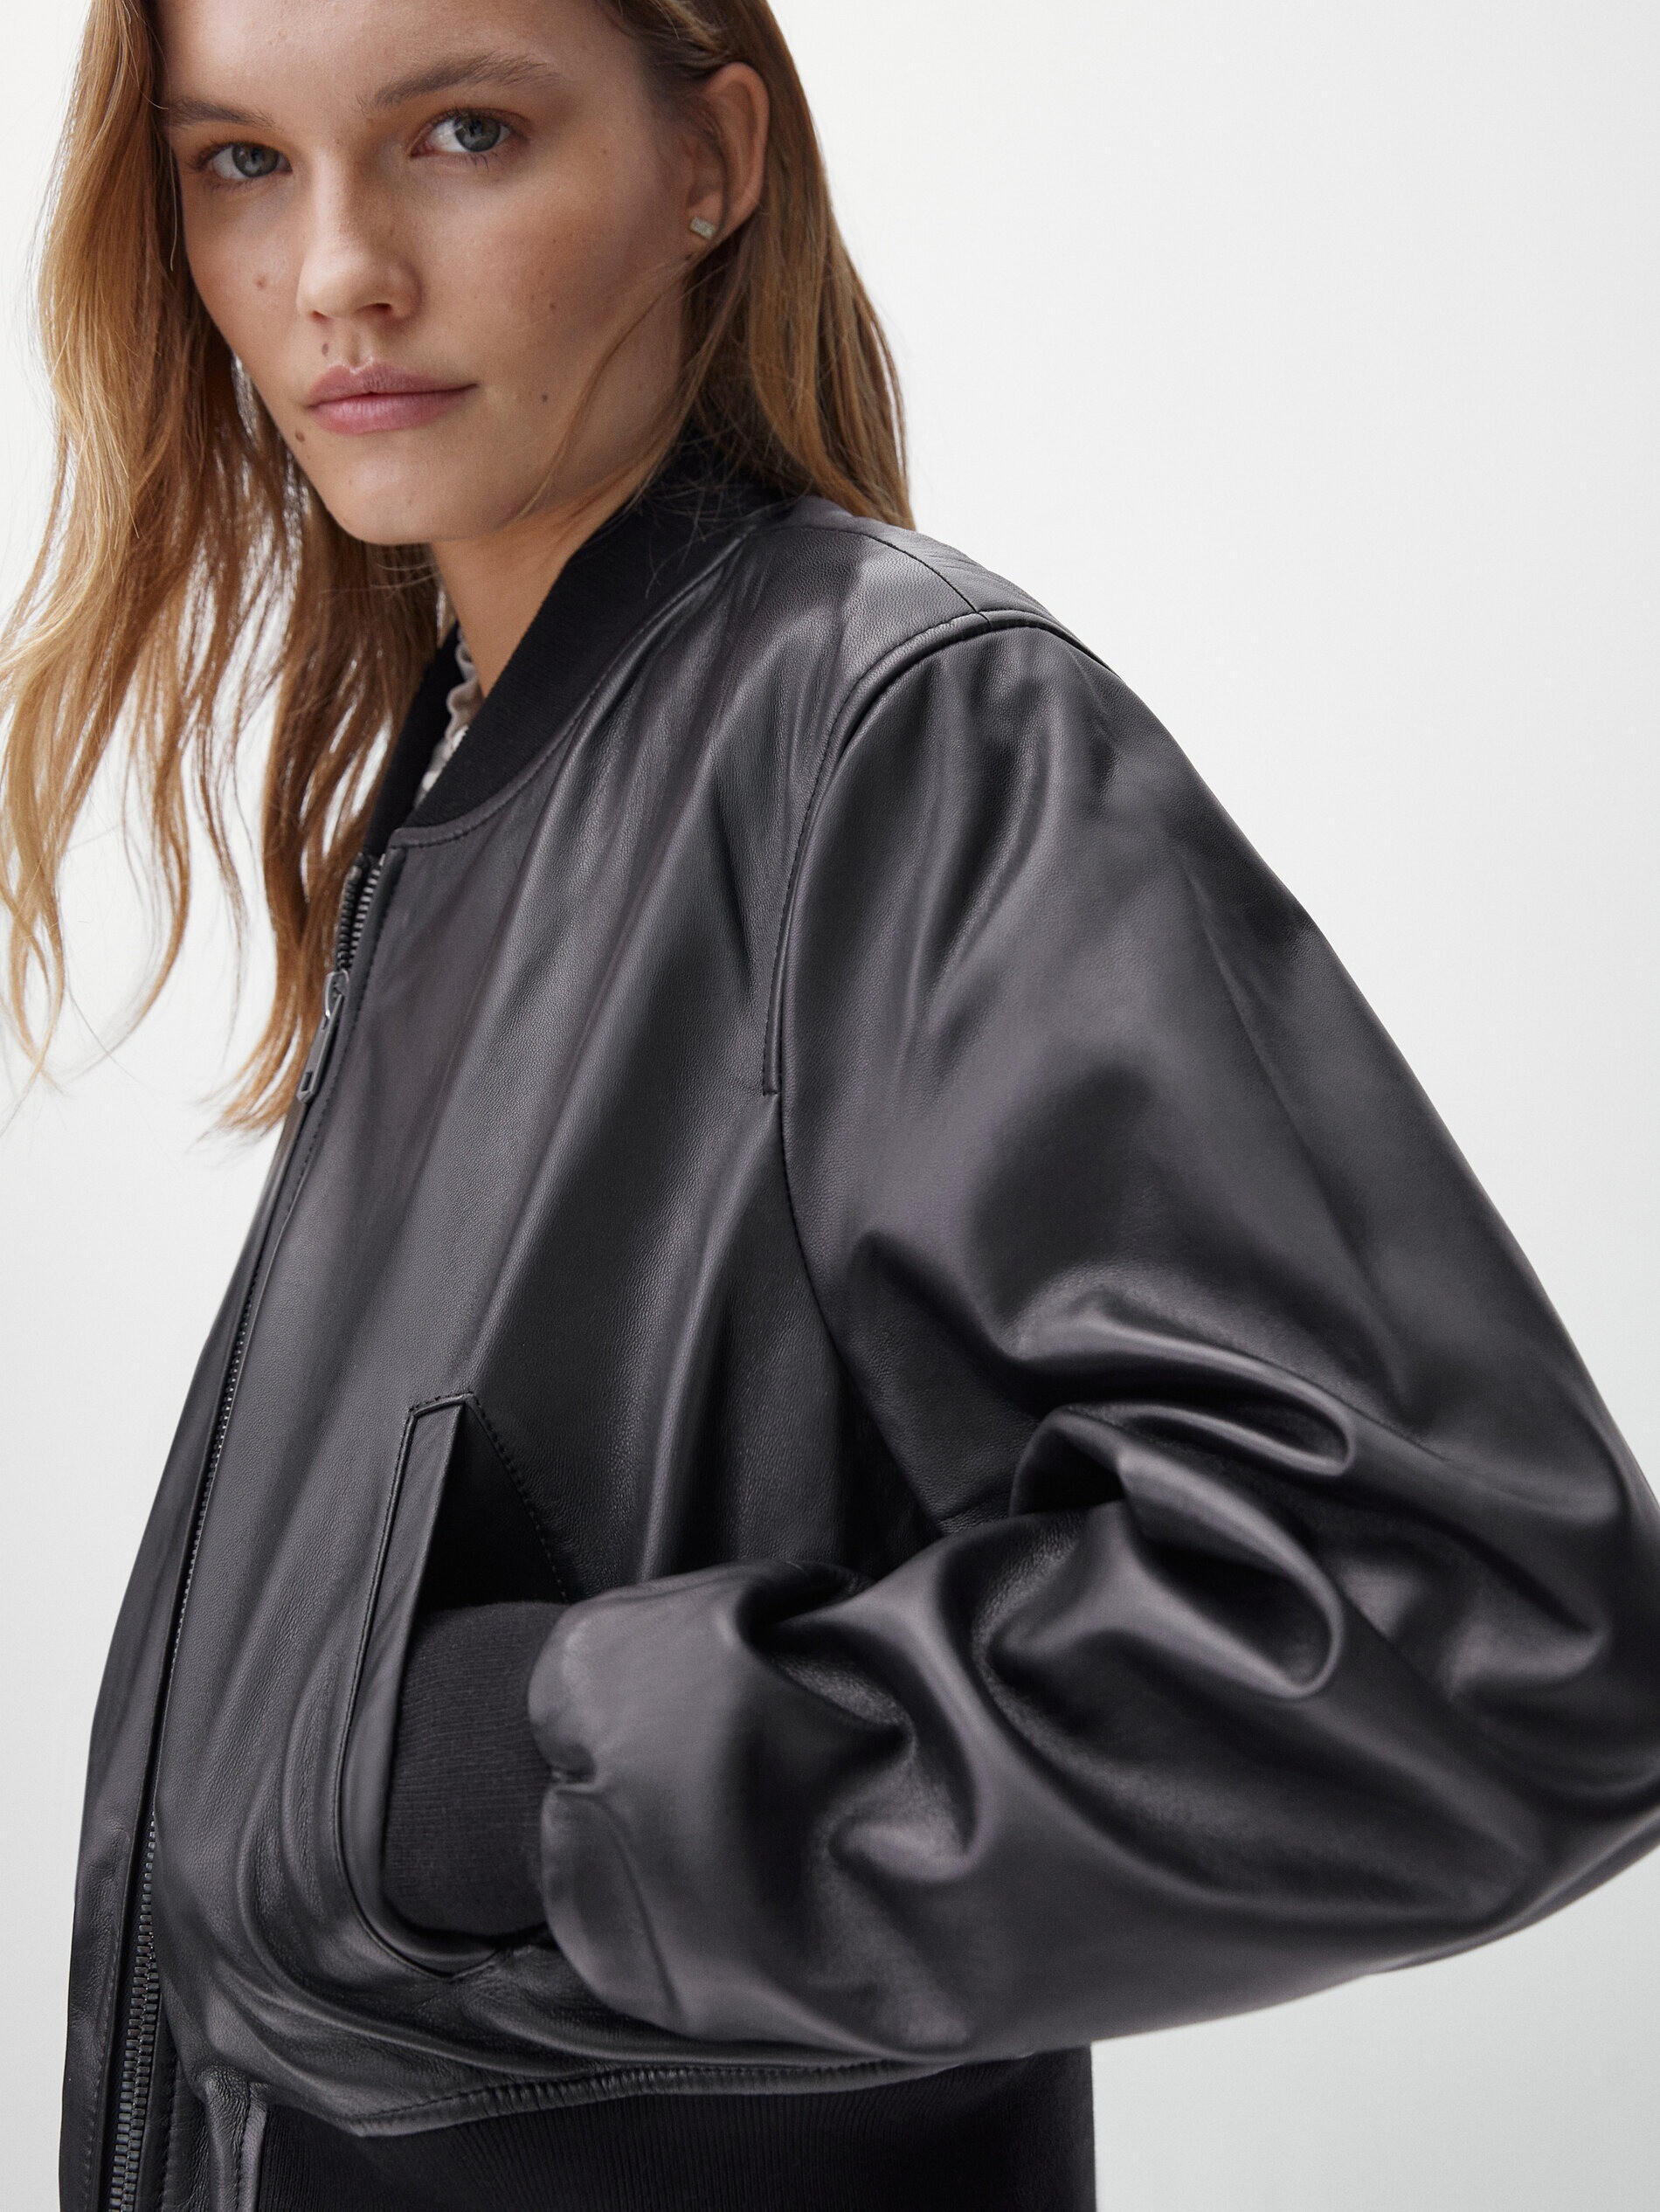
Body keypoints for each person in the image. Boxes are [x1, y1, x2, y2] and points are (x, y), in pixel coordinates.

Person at [4, 2, 1659, 2209]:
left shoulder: (885, 738)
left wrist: (528, 1780)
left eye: (463, 134)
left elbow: (1462, 1649)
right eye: (239, 165)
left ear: (709, 158)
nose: (336, 277)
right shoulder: (482, 778)